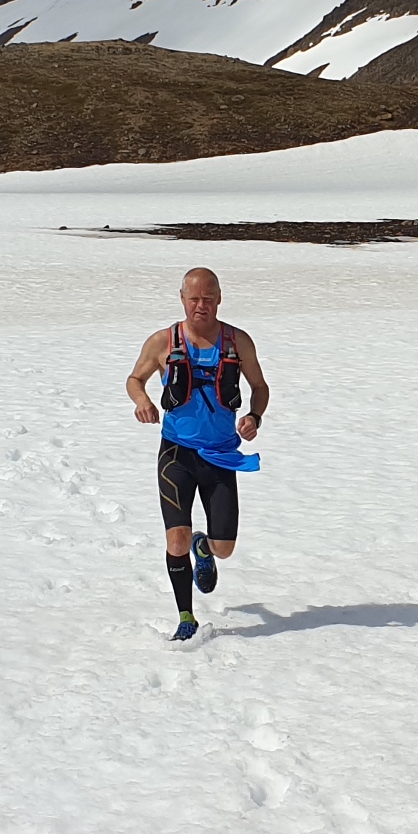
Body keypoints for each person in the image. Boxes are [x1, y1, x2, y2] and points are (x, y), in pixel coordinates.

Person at [126, 266, 269, 641]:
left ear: (219, 299)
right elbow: (135, 379)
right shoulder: (163, 341)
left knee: (225, 549)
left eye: (208, 299)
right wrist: (142, 401)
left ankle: (203, 546)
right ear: (182, 299)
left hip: (219, 456)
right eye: (194, 299)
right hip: (177, 453)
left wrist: (254, 416)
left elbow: (259, 386)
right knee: (176, 538)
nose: (200, 306)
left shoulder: (237, 342)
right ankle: (186, 616)